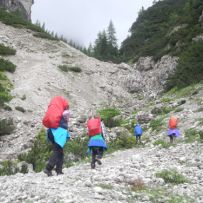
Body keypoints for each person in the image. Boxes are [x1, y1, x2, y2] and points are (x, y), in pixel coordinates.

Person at [44, 110, 70, 176]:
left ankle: (59, 170)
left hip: (51, 133)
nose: (68, 118)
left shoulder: (59, 120)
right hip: (58, 134)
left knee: (60, 153)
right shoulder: (63, 120)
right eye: (68, 116)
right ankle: (48, 168)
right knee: (57, 151)